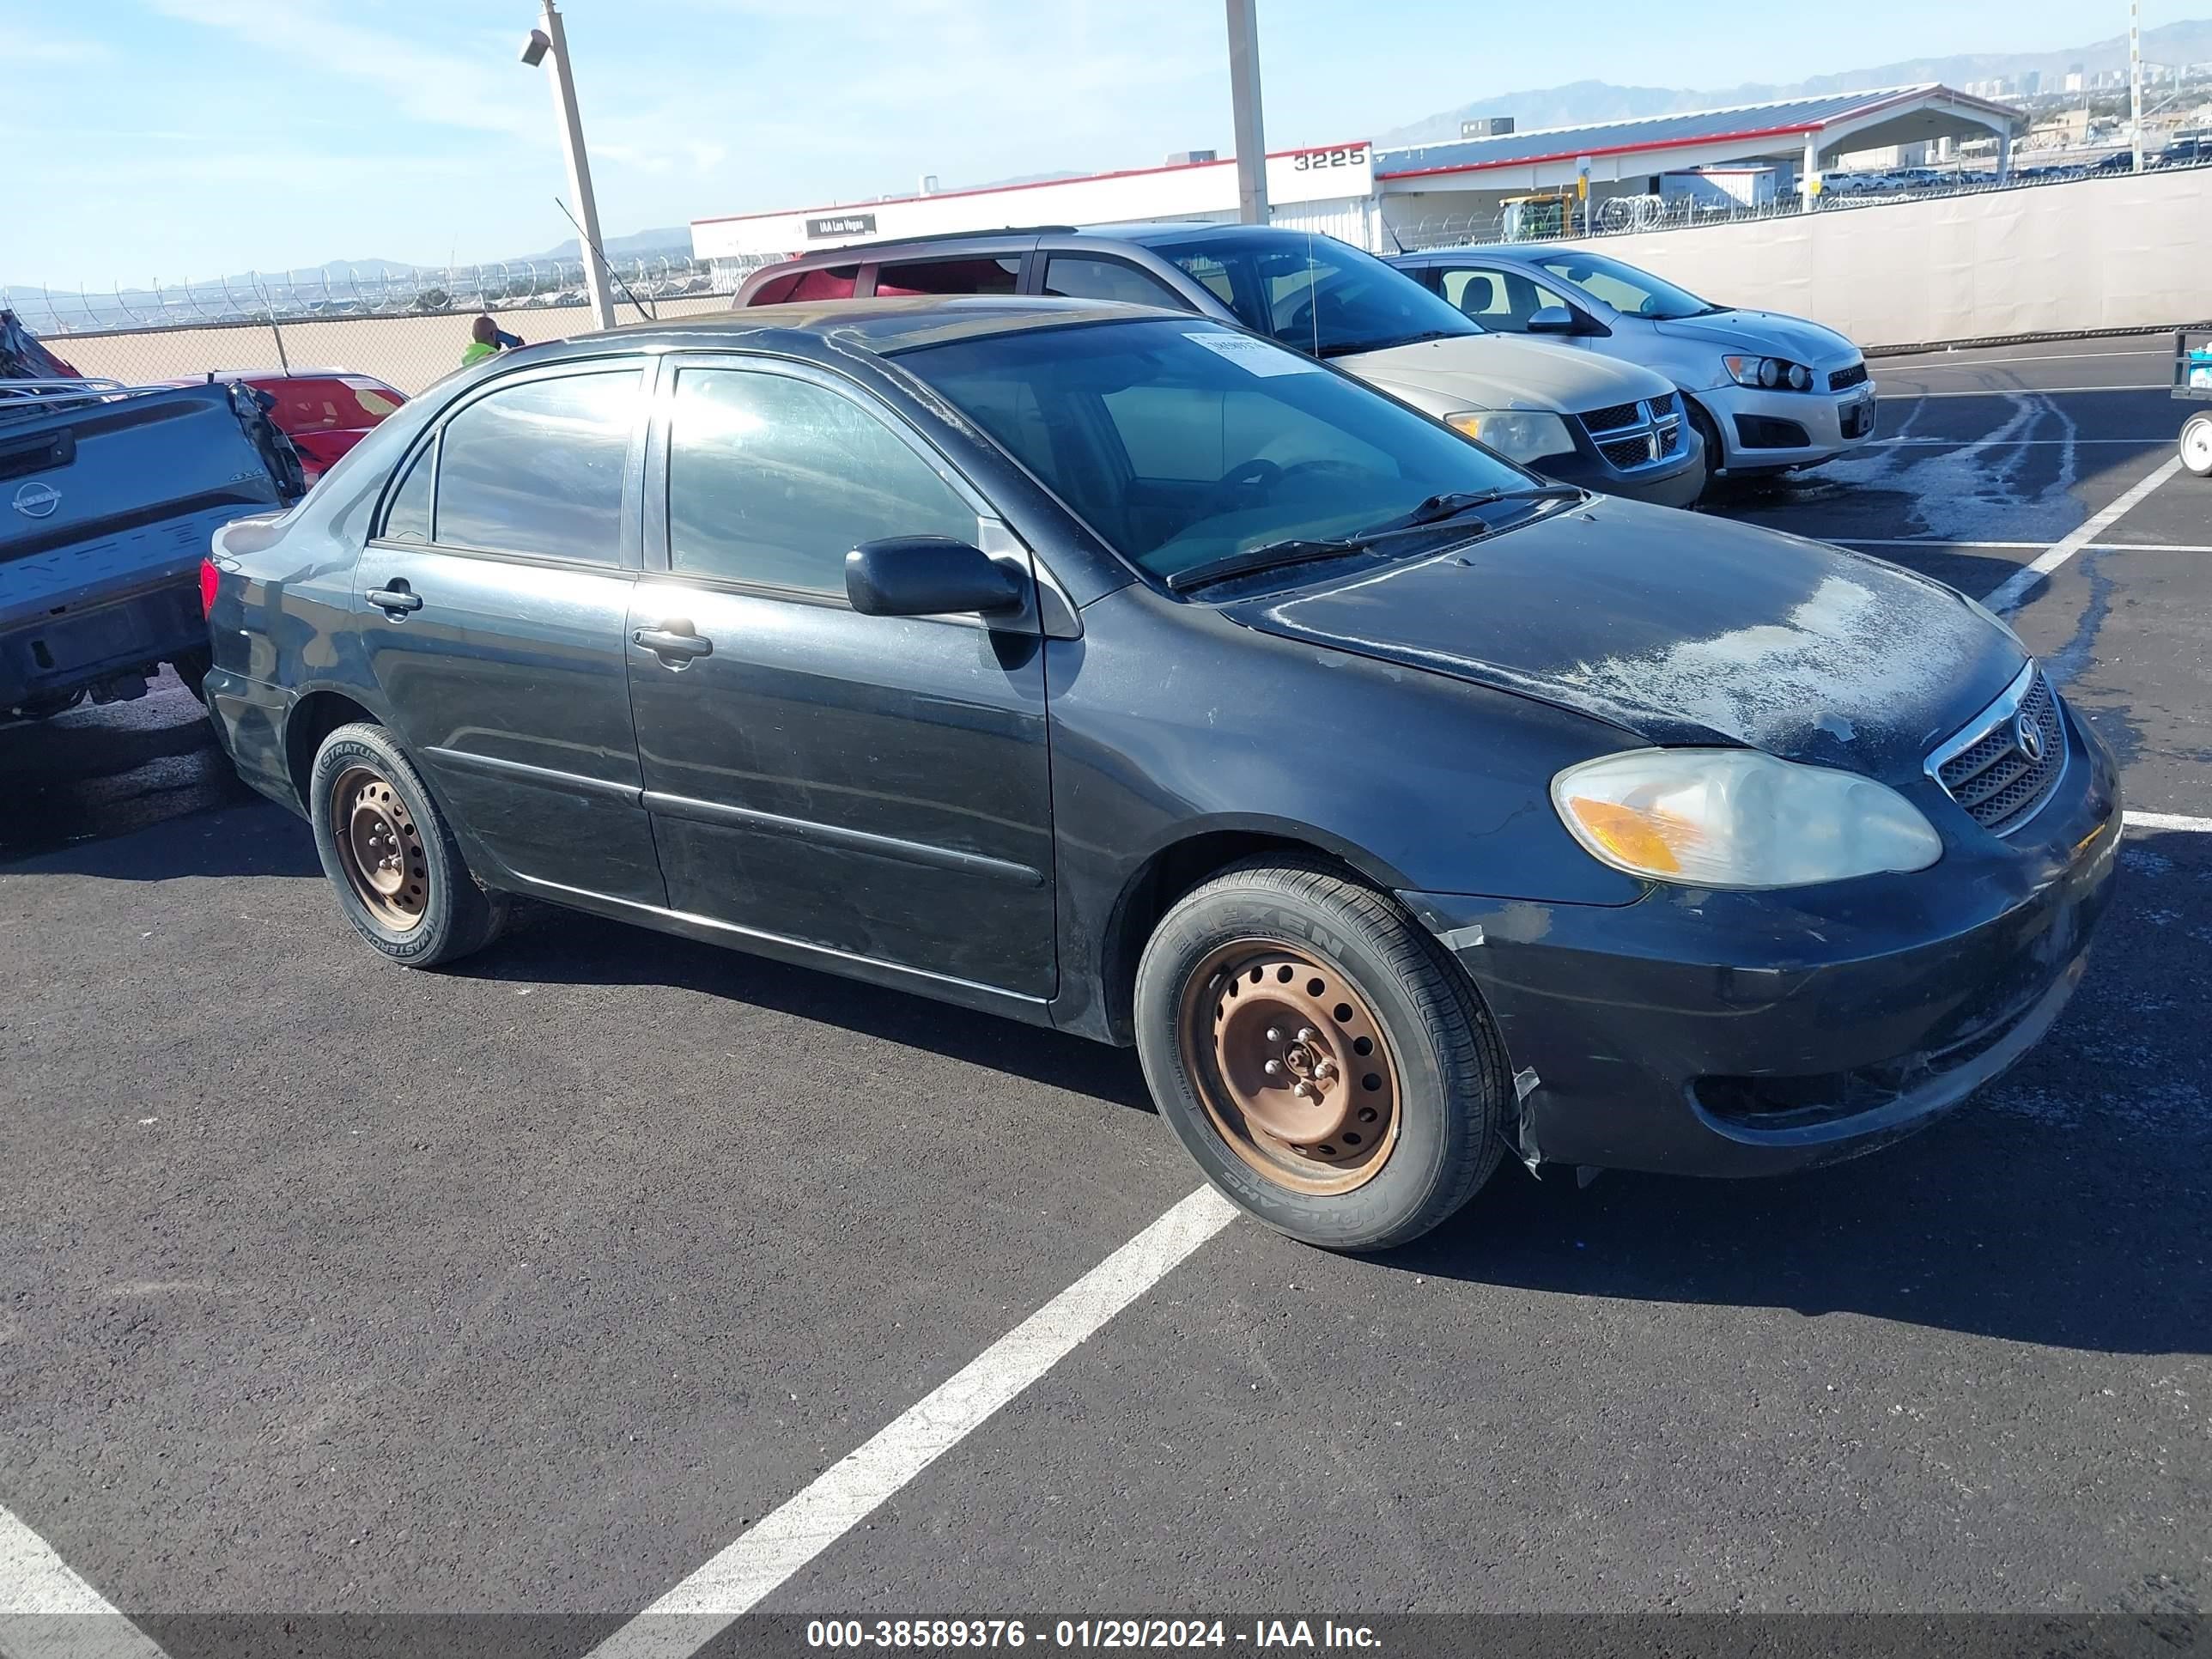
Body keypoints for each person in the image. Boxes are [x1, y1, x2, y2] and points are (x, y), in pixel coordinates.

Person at [460, 314, 524, 368]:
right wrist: (521, 350)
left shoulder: (467, 358)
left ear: (473, 335)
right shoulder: (493, 359)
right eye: (498, 333)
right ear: (494, 335)